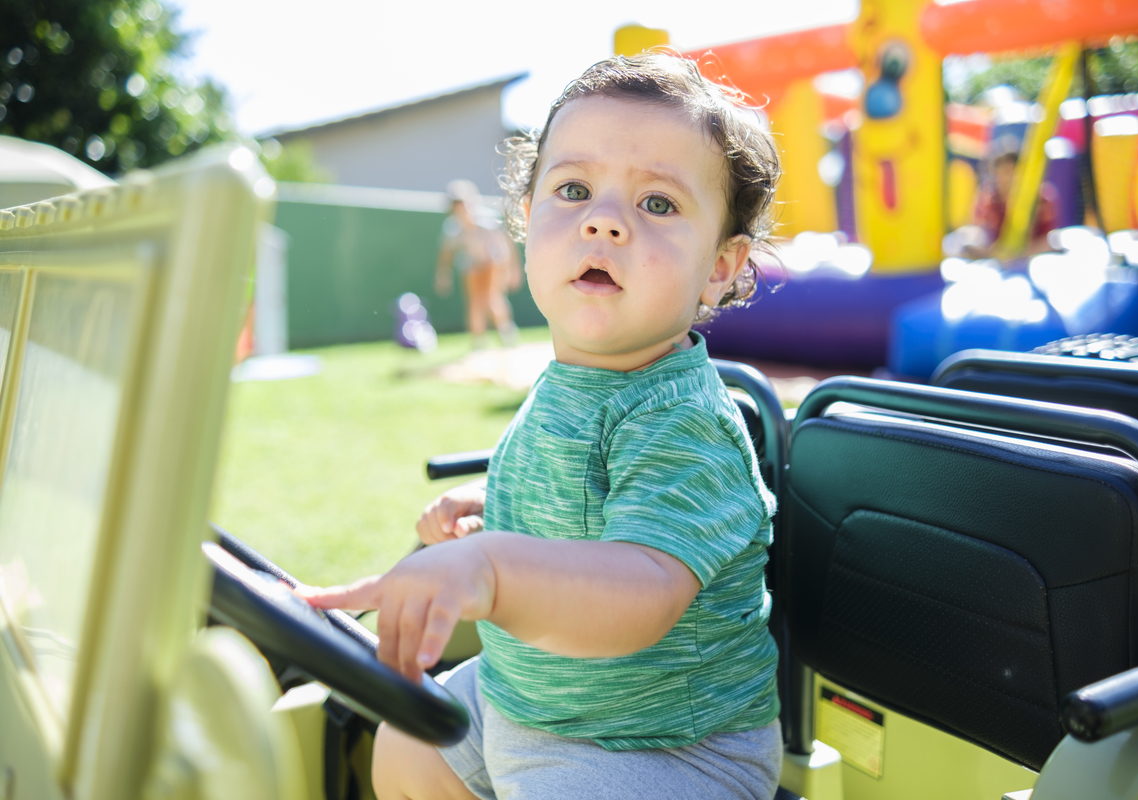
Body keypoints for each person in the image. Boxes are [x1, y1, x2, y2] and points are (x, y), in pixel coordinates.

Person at [301, 53, 783, 800]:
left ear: (720, 267)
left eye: (657, 204)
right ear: (527, 219)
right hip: (529, 701)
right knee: (409, 741)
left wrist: (492, 568)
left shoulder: (682, 419)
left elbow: (641, 592)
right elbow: (584, 497)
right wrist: (495, 508)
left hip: (662, 749)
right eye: (574, 189)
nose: (604, 219)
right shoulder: (578, 376)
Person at [435, 180, 521, 349]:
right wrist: (443, 275)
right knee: (475, 302)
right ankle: (479, 341)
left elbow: (506, 246)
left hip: (492, 264)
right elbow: (446, 253)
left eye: (463, 203)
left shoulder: (487, 221)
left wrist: (511, 270)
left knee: (492, 299)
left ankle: (506, 332)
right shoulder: (452, 228)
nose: (461, 208)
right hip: (471, 267)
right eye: (456, 204)